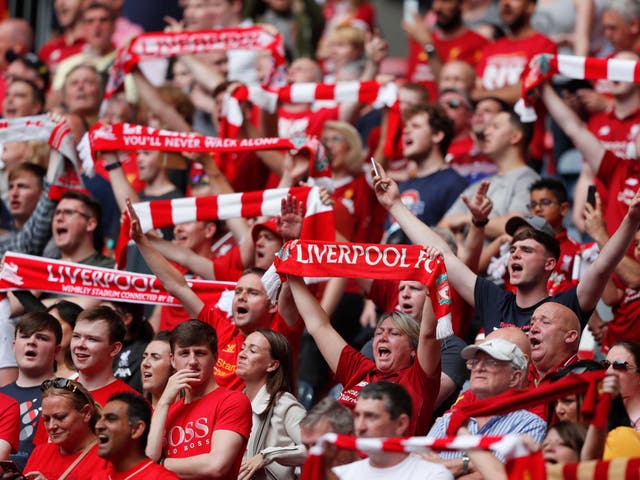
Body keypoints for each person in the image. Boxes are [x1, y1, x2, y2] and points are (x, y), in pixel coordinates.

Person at [373, 162, 640, 333]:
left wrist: (631, 219)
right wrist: (395, 205)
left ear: (550, 263)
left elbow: (604, 265)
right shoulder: (494, 300)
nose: (515, 254)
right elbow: (444, 254)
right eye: (513, 249)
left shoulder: (566, 304)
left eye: (527, 249)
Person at [288, 271, 441, 435]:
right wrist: (291, 274)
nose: (382, 338)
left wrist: (433, 278)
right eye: (379, 332)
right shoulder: (360, 369)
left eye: (394, 333)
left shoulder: (418, 379)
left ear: (413, 349)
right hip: (333, 453)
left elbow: (428, 333)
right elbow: (318, 325)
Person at [145, 320, 252, 479]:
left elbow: (216, 466)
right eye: (184, 353)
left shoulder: (233, 400)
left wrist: (161, 464)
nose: (192, 362)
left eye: (200, 353)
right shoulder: (165, 409)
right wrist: (164, 402)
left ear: (215, 357)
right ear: (173, 360)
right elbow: (147, 461)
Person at [427, 338, 546, 475]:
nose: (479, 368)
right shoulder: (447, 421)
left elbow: (507, 475)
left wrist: (460, 465)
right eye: (475, 362)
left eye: (491, 362)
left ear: (514, 378)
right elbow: (420, 467)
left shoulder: (530, 425)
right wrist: (480, 465)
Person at [439, 111, 539, 241]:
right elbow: (442, 226)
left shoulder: (528, 180)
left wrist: (468, 219)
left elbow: (515, 227)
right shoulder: (481, 184)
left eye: (495, 127)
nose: (486, 132)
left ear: (515, 136)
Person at [332, 381, 453, 479]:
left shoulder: (433, 476)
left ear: (401, 424)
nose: (359, 427)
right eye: (357, 416)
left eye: (371, 417)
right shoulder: (339, 475)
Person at [385, 104, 468, 237]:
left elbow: (454, 241)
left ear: (437, 135)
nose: (406, 131)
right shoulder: (402, 186)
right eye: (406, 127)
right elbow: (386, 236)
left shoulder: (454, 184)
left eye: (416, 126)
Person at [236, 329, 307, 480]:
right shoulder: (235, 401)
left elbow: (313, 449)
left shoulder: (285, 404)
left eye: (252, 350)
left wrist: (268, 455)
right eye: (242, 348)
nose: (241, 354)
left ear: (272, 364)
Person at [0, 312, 62, 469]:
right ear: (14, 346)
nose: (31, 342)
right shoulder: (2, 396)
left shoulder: (70, 395)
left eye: (42, 338)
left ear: (57, 350)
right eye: (25, 336)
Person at [24, 377, 110, 478]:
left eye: (60, 417)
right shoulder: (40, 453)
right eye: (46, 419)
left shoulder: (108, 456)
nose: (51, 426)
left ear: (86, 413)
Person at [94, 392, 179, 479]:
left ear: (137, 429)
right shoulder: (99, 477)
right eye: (100, 418)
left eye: (111, 419)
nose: (98, 426)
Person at [71, 306, 138, 406]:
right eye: (76, 336)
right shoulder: (56, 393)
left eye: (92, 339)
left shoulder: (133, 404)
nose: (80, 345)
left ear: (114, 349)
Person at [140, 331, 174, 410]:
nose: (145, 363)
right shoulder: (134, 411)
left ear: (174, 364)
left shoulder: (188, 411)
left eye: (155, 357)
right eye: (144, 357)